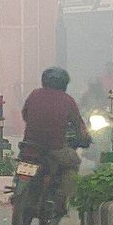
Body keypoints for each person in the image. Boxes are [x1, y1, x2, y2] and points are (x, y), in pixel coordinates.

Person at [19, 67, 92, 214]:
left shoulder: (34, 95)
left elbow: (25, 114)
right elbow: (78, 124)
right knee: (74, 163)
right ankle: (60, 199)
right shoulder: (67, 100)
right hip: (55, 147)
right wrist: (84, 138)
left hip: (29, 146)